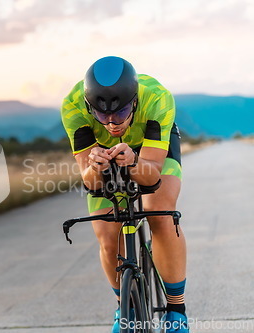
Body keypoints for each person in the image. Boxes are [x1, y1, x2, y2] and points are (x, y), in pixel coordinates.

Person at [61, 56, 188, 333]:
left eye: (119, 114)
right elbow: (91, 183)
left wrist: (133, 162)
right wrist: (95, 167)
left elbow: (152, 174)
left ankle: (176, 311)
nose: (110, 124)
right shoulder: (73, 107)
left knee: (161, 215)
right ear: (88, 106)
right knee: (107, 236)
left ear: (134, 102)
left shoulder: (157, 98)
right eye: (101, 115)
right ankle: (123, 309)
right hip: (104, 157)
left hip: (151, 152)